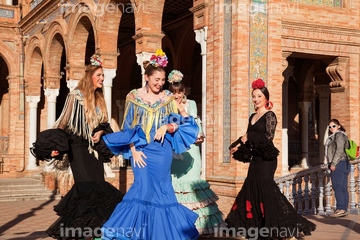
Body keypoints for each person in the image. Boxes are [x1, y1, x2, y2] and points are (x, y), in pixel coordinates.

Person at [100, 49, 199, 240]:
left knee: (162, 193)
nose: (160, 83)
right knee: (142, 190)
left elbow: (184, 121)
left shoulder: (168, 97)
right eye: (157, 80)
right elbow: (128, 127)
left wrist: (168, 127)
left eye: (162, 80)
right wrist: (133, 150)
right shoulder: (133, 97)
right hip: (141, 152)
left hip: (162, 153)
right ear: (146, 77)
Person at [225, 79, 316, 239]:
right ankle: (255, 227)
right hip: (256, 160)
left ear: (266, 98)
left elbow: (268, 137)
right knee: (250, 189)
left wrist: (249, 137)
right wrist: (238, 145)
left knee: (267, 191)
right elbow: (249, 138)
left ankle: (288, 228)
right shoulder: (252, 116)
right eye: (254, 96)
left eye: (259, 96)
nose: (256, 99)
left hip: (267, 160)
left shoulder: (270, 115)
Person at [46, 54, 124, 240]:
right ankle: (80, 233)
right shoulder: (75, 96)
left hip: (94, 151)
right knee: (85, 189)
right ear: (90, 76)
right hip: (78, 149)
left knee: (97, 188)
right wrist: (55, 147)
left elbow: (105, 124)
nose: (102, 79)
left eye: (103, 76)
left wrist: (101, 133)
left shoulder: (100, 99)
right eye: (99, 75)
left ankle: (92, 233)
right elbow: (63, 123)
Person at [167, 69, 226, 235]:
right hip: (176, 153)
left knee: (192, 186)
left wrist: (199, 135)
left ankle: (197, 228)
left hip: (191, 153)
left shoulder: (190, 104)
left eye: (179, 92)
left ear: (183, 92)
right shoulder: (167, 107)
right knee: (176, 189)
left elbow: (194, 124)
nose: (177, 95)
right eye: (173, 92)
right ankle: (177, 227)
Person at [325, 119, 350, 218]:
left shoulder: (339, 135)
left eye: (334, 126)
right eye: (330, 127)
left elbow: (339, 150)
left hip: (339, 163)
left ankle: (340, 208)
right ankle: (343, 209)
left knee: (337, 186)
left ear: (339, 126)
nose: (331, 128)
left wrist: (333, 163)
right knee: (343, 187)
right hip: (344, 163)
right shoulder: (339, 135)